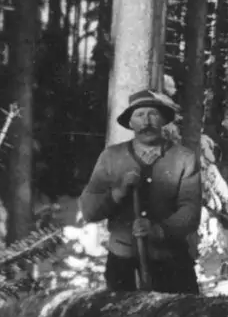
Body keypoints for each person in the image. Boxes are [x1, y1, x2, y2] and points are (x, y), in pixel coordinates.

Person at [79, 88, 202, 293]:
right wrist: (118, 192)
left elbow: (190, 211)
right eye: (139, 115)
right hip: (123, 265)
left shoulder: (184, 158)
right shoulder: (111, 157)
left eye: (153, 114)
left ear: (163, 120)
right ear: (130, 123)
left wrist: (159, 230)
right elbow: (89, 211)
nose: (146, 122)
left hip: (171, 263)